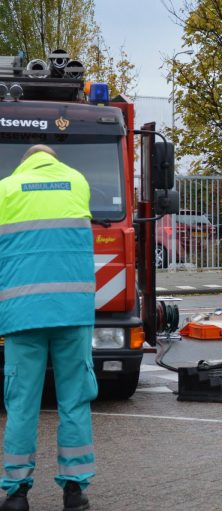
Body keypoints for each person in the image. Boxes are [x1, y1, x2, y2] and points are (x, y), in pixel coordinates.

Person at [0, 145, 96, 511]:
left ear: (25, 161)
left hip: (22, 313)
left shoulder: (6, 188)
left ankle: (17, 493)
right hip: (73, 312)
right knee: (74, 400)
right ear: (53, 159)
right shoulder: (77, 182)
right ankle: (74, 492)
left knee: (22, 404)